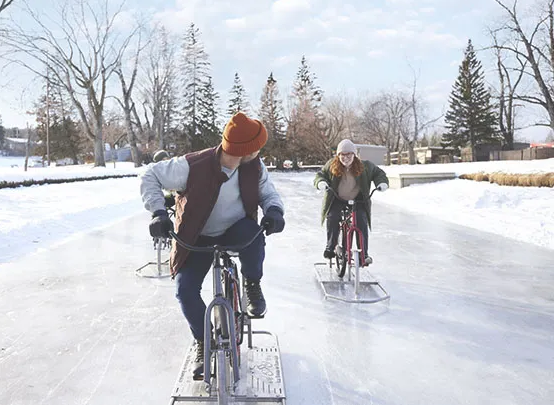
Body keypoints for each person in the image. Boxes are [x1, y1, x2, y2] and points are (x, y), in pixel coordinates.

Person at [140, 112, 285, 378]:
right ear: (244, 150)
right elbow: (151, 176)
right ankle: (202, 340)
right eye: (258, 146)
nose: (260, 151)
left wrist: (274, 210)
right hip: (196, 236)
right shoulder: (192, 165)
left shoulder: (255, 166)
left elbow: (267, 191)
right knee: (185, 291)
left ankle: (252, 284)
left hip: (235, 230)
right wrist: (158, 212)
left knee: (253, 233)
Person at [313, 139, 388, 266]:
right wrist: (321, 182)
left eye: (349, 154)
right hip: (337, 198)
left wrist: (381, 183)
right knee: (333, 217)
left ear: (354, 154)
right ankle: (330, 247)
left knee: (361, 220)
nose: (345, 158)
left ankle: (364, 255)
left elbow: (378, 173)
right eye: (342, 154)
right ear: (338, 156)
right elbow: (321, 174)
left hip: (358, 199)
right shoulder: (332, 165)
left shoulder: (365, 166)